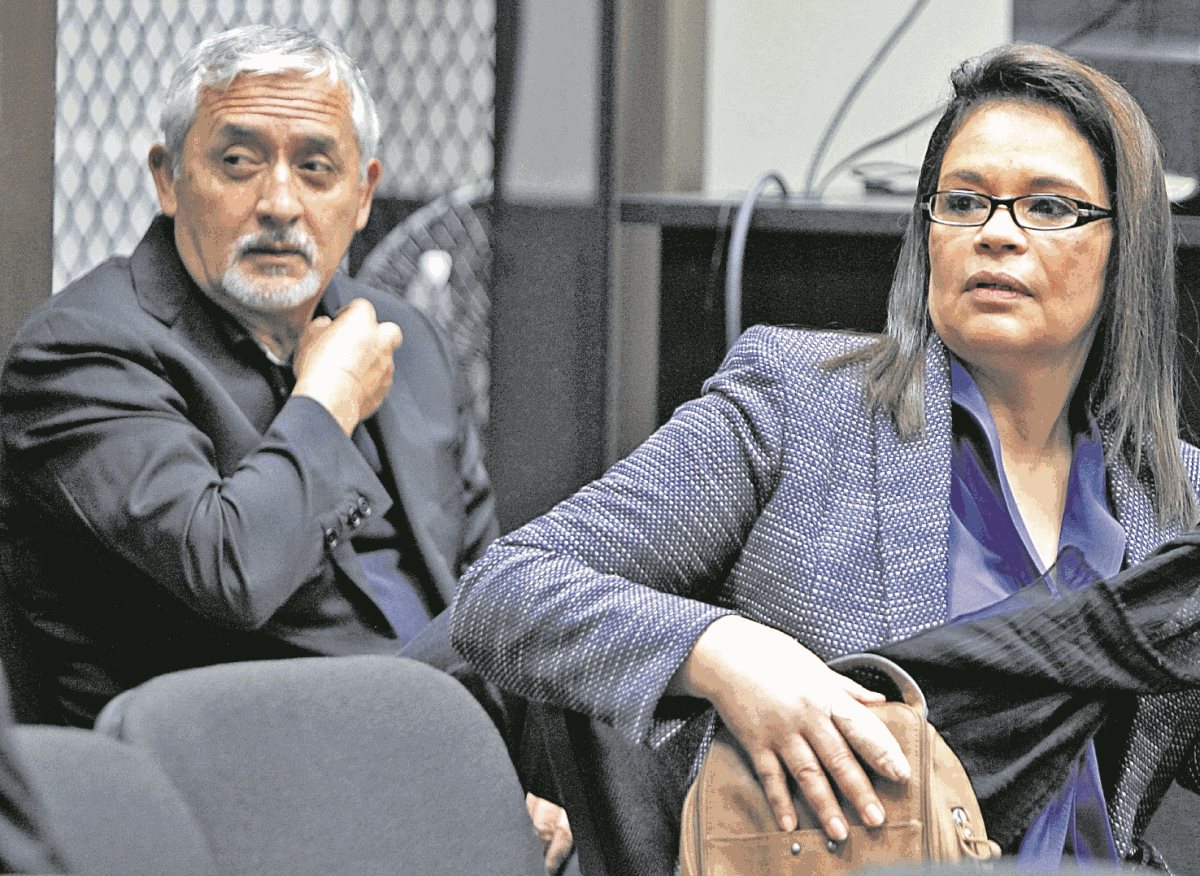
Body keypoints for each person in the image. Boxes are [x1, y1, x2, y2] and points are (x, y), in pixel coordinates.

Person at [452, 43, 1200, 871]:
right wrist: (728, 654)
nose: (996, 235)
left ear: (1124, 247)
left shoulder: (1177, 498)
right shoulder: (800, 406)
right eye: (964, 200)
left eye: (1050, 208)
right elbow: (507, 591)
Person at [0, 25, 571, 871]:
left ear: (365, 192)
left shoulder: (403, 339)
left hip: (428, 772)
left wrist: (503, 783)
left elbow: (481, 601)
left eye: (315, 167)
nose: (277, 202)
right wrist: (327, 402)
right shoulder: (82, 353)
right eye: (237, 162)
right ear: (168, 178)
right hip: (228, 799)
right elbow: (229, 569)